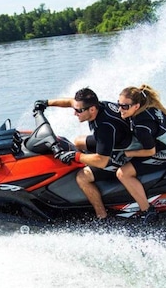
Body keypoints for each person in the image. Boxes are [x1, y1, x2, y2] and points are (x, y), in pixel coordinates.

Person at [33, 87, 132, 219]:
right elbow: (71, 102)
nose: (75, 113)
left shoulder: (104, 127)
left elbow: (102, 161)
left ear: (91, 109)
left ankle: (102, 215)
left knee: (82, 177)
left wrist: (77, 156)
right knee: (78, 142)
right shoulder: (98, 105)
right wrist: (46, 103)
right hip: (114, 140)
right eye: (76, 109)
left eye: (79, 111)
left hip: (121, 154)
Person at [115, 84, 166, 224]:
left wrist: (126, 153)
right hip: (160, 144)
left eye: (125, 106)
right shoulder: (146, 107)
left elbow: (150, 151)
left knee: (123, 173)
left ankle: (147, 210)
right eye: (118, 104)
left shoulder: (142, 126)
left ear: (136, 106)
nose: (120, 109)